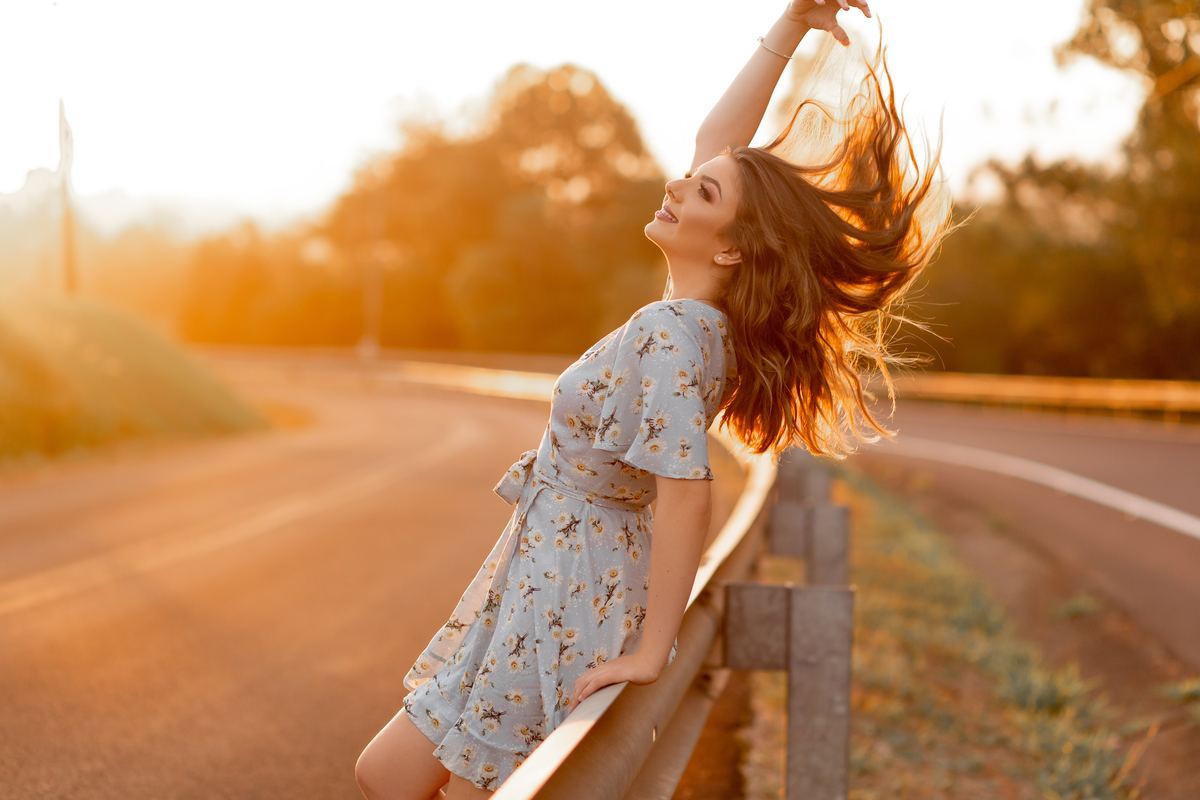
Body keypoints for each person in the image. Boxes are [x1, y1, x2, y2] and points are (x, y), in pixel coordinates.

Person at [354, 0, 952, 797]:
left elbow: (685, 493)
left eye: (700, 194)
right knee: (387, 773)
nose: (678, 182)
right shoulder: (703, 322)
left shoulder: (673, 335)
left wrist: (651, 648)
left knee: (427, 783)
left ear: (732, 245)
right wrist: (791, 27)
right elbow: (716, 146)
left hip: (573, 588)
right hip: (546, 571)